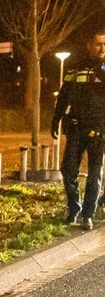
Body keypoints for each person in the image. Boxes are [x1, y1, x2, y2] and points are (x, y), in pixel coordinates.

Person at [52, 29, 105, 230]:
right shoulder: (75, 67)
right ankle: (74, 206)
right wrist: (56, 118)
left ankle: (88, 214)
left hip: (99, 127)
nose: (102, 49)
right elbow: (64, 94)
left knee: (94, 173)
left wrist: (101, 69)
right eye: (98, 44)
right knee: (67, 170)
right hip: (75, 125)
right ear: (89, 45)